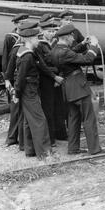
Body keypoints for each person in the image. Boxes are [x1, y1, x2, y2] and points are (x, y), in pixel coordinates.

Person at [51, 24, 102, 156]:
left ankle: (73, 148)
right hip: (78, 87)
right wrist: (94, 46)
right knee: (88, 118)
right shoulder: (65, 52)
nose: (73, 39)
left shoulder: (56, 50)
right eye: (72, 37)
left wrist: (83, 44)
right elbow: (87, 59)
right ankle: (94, 149)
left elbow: (72, 53)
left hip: (68, 88)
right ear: (67, 37)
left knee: (73, 119)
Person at [14, 28, 52, 160]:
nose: (38, 40)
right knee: (39, 120)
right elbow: (21, 77)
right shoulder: (28, 56)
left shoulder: (23, 52)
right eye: (37, 38)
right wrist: (17, 94)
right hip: (29, 90)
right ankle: (44, 153)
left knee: (28, 120)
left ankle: (30, 150)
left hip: (27, 89)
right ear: (30, 39)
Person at [4, 20, 35, 149]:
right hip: (17, 82)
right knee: (16, 111)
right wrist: (8, 81)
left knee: (21, 112)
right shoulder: (17, 47)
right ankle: (11, 138)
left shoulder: (23, 47)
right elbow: (8, 65)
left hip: (19, 82)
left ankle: (21, 142)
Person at [36, 19, 65, 147]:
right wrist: (54, 76)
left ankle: (61, 134)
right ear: (42, 31)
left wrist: (60, 76)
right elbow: (41, 66)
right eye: (49, 31)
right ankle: (51, 138)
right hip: (47, 80)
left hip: (58, 79)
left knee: (59, 106)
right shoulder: (39, 45)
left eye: (53, 31)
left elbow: (62, 60)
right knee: (48, 108)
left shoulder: (55, 43)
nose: (52, 33)